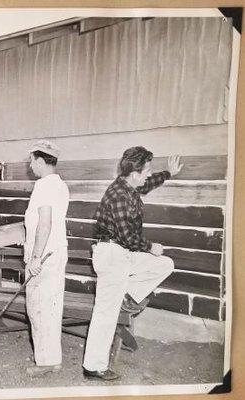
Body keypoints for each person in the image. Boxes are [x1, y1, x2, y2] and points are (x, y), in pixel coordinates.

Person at [82, 147, 181, 381]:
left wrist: (169, 173)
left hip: (123, 254)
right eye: (147, 170)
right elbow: (128, 237)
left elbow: (147, 184)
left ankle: (127, 297)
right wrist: (151, 247)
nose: (149, 174)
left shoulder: (130, 185)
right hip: (112, 255)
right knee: (105, 313)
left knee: (164, 264)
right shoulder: (118, 196)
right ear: (134, 173)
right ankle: (93, 367)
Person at [23, 140, 69, 377]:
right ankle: (51, 358)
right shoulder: (60, 185)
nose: (30, 165)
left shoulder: (44, 186)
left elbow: (45, 223)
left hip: (44, 257)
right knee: (50, 307)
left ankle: (46, 362)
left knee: (39, 307)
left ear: (41, 161)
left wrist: (35, 257)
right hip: (55, 253)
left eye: (31, 160)